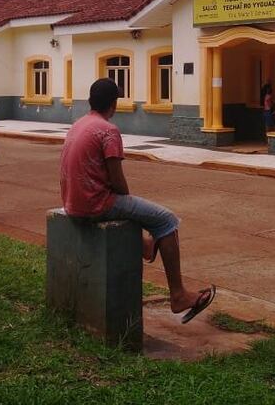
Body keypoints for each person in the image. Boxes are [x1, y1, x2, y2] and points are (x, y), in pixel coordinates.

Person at [60, 78, 215, 324]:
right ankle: (178, 295)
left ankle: (146, 246)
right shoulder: (108, 130)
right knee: (166, 220)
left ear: (91, 101)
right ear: (114, 104)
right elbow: (118, 181)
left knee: (137, 211)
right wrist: (127, 200)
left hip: (73, 204)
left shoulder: (78, 124)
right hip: (95, 205)